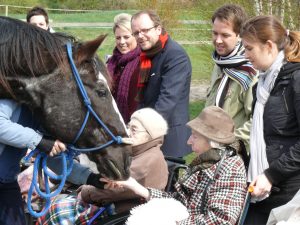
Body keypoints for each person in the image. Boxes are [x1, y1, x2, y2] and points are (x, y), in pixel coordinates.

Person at [104, 106, 248, 224]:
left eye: (194, 136)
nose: (189, 141)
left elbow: (221, 221)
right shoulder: (208, 160)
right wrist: (137, 187)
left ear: (212, 142)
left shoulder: (230, 168)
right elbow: (178, 201)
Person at [36, 108, 169, 224]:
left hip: (118, 213)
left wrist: (84, 192)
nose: (127, 132)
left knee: (56, 210)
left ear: (151, 135)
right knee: (55, 202)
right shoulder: (143, 152)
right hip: (111, 204)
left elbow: (112, 189)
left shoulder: (149, 161)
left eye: (134, 130)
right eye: (128, 126)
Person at [0, 99, 104, 225]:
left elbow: (51, 158)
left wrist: (90, 178)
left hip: (6, 182)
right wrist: (39, 141)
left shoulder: (43, 114)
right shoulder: (11, 95)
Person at [240, 15, 300, 224]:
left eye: (249, 48)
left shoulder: (296, 80)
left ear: (268, 46)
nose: (245, 55)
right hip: (263, 185)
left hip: (291, 191)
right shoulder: (262, 84)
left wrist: (272, 175)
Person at [131, 10, 192, 158]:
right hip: (149, 134)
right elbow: (143, 97)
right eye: (136, 33)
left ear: (158, 29)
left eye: (145, 30)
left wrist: (141, 129)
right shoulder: (146, 56)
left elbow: (167, 100)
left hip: (169, 137)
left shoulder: (175, 55)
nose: (140, 36)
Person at [205, 4, 257, 154]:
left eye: (225, 35)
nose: (218, 40)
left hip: (234, 155)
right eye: (215, 33)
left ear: (240, 35)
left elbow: (258, 119)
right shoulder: (220, 63)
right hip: (212, 149)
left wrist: (231, 142)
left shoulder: (250, 71)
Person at [107, 13, 141, 123]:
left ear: (135, 36)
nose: (122, 42)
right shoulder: (111, 63)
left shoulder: (144, 63)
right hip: (112, 123)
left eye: (126, 37)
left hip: (135, 124)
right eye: (118, 38)